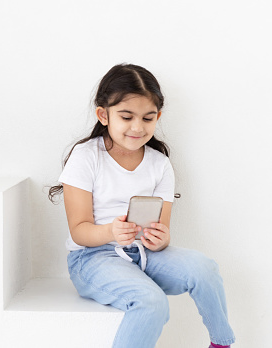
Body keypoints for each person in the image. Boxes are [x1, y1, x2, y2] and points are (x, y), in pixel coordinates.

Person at [48, 64, 235, 348]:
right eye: (126, 117)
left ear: (157, 117)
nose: (138, 127)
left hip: (144, 254)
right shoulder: (86, 157)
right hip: (93, 258)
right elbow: (79, 231)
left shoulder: (159, 164)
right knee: (151, 302)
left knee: (204, 268)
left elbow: (162, 231)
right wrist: (112, 232)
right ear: (103, 114)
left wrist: (160, 240)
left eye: (148, 118)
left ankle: (221, 343)